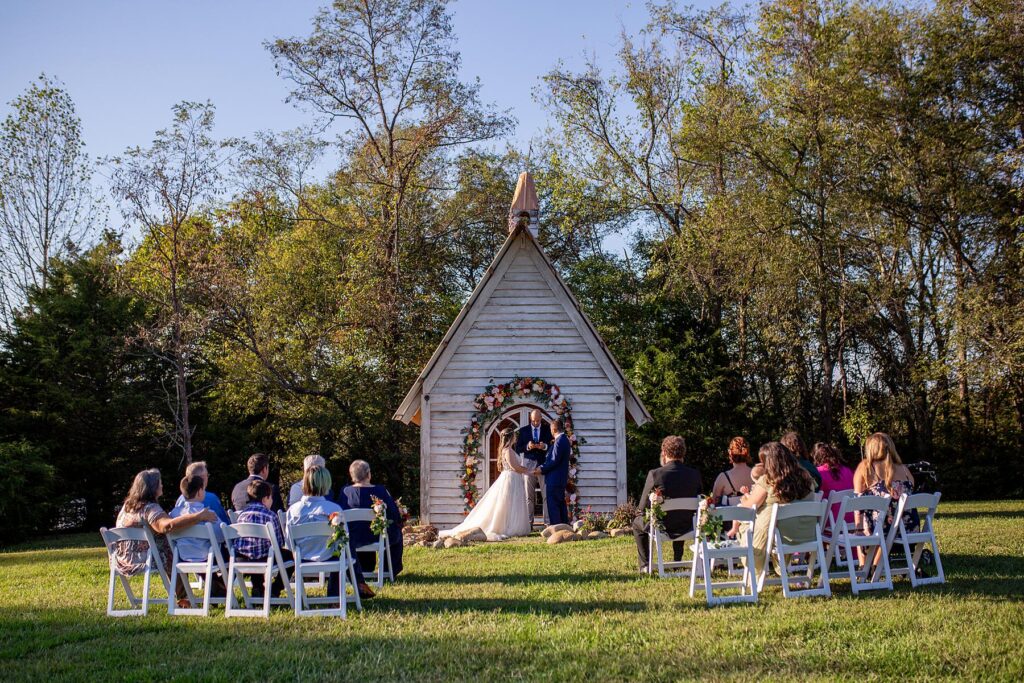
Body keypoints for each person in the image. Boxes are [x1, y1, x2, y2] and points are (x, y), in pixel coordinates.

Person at [113, 468, 218, 608]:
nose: (162, 485)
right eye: (160, 483)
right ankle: (188, 597)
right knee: (176, 551)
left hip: (122, 559)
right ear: (153, 487)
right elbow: (166, 526)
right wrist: (198, 516)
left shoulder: (127, 507)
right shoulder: (150, 509)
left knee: (173, 548)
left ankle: (193, 595)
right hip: (145, 559)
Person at [287, 464, 374, 600]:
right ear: (326, 483)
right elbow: (344, 538)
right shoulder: (333, 508)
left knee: (341, 549)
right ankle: (337, 596)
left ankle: (357, 585)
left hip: (301, 557)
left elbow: (288, 540)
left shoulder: (293, 510)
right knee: (342, 550)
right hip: (329, 556)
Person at [736, 442, 817, 577]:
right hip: (807, 534)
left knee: (745, 526)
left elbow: (749, 507)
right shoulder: (806, 478)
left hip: (781, 536)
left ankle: (755, 567)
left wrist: (744, 500)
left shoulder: (769, 481)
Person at [441, 427, 534, 541]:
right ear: (511, 437)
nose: (516, 438)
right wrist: (528, 471)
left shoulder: (507, 449)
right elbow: (514, 467)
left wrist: (524, 470)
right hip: (511, 478)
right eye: (514, 436)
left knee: (510, 503)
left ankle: (511, 525)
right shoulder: (508, 451)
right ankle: (508, 527)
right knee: (510, 503)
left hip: (512, 477)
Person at [632, 436, 703, 573]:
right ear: (683, 453)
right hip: (688, 525)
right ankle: (677, 560)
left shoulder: (656, 474)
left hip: (663, 526)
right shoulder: (694, 474)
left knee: (637, 523)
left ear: (664, 452)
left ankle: (645, 565)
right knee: (682, 514)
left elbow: (642, 507)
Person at [853, 432, 918, 567]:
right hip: (909, 529)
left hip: (880, 530)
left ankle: (865, 568)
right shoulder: (905, 470)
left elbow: (857, 504)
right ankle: (874, 567)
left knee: (869, 521)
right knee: (886, 521)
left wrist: (858, 530)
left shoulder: (865, 468)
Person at [338, 459, 405, 580]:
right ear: (369, 474)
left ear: (352, 475)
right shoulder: (380, 490)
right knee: (396, 532)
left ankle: (363, 567)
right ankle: (388, 570)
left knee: (360, 530)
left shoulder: (345, 492)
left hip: (352, 537)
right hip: (376, 536)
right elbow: (394, 514)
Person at [169, 474, 227, 596]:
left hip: (182, 557)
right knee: (231, 554)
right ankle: (221, 589)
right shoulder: (209, 514)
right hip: (206, 557)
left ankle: (218, 589)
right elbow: (222, 536)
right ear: (200, 492)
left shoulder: (174, 514)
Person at [235, 478, 291, 599]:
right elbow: (278, 542)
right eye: (271, 498)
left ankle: (258, 588)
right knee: (289, 558)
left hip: (242, 559)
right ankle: (275, 590)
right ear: (265, 498)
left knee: (255, 551)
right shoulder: (271, 515)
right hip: (265, 559)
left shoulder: (241, 516)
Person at [516, 409, 552, 525]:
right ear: (530, 419)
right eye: (533, 421)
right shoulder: (523, 431)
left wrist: (544, 446)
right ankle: (528, 522)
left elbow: (552, 445)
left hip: (543, 463)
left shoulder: (547, 429)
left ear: (541, 418)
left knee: (546, 494)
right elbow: (518, 448)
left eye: (538, 420)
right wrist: (528, 446)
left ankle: (547, 522)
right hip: (528, 464)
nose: (536, 423)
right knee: (528, 495)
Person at [812, 442, 855, 526]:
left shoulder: (819, 472)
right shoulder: (848, 470)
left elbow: (816, 500)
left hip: (831, 524)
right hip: (852, 522)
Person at [539, 418, 572, 527]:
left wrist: (541, 469)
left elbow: (554, 460)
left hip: (555, 479)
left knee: (553, 505)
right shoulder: (564, 439)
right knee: (560, 504)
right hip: (560, 478)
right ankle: (564, 526)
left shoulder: (559, 441)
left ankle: (557, 528)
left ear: (553, 429)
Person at [711, 436, 754, 505]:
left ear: (730, 453)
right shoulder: (756, 475)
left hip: (729, 515)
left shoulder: (723, 477)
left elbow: (713, 503)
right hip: (752, 515)